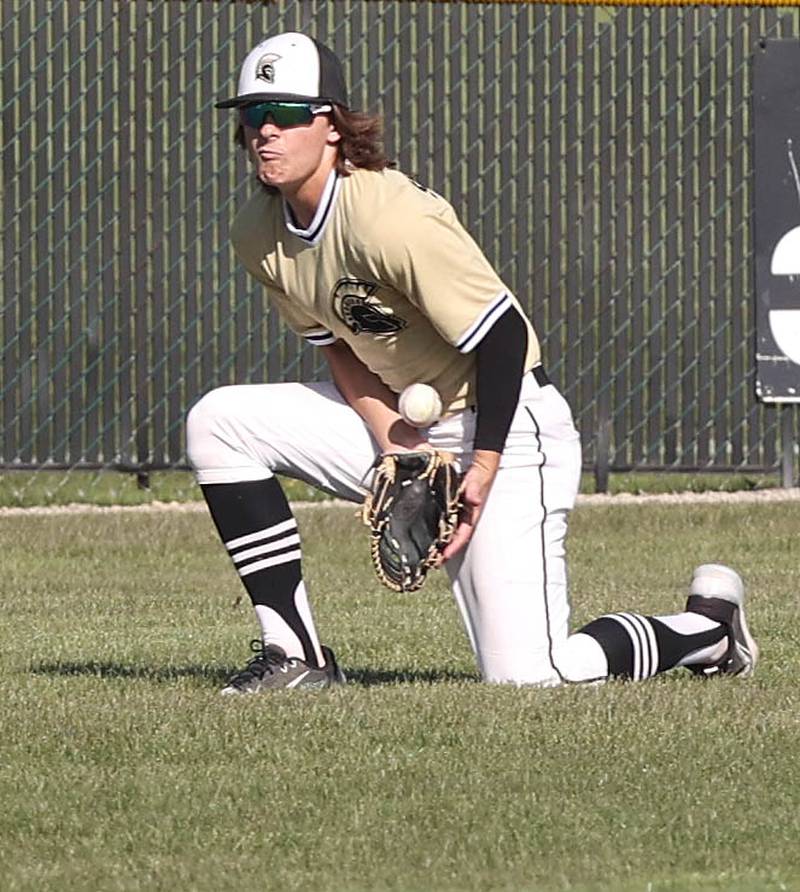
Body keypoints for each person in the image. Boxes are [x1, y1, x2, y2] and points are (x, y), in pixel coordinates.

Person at [186, 32, 758, 694]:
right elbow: (339, 345)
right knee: (219, 421)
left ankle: (708, 631)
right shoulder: (259, 234)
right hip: (409, 423)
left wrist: (478, 471)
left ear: (332, 125)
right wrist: (395, 445)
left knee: (531, 676)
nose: (264, 132)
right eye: (252, 116)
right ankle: (296, 654)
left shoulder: (389, 217)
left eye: (285, 114)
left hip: (507, 429)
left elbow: (506, 338)